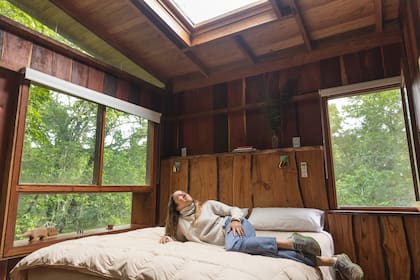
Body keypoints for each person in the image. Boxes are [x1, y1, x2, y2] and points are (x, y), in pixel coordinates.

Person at [160, 190, 364, 280]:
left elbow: (235, 209)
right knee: (268, 252)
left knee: (235, 246)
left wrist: (237, 219)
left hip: (235, 227)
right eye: (180, 196)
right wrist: (167, 238)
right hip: (241, 241)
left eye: (185, 193)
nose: (186, 195)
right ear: (175, 207)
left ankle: (292, 241)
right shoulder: (181, 225)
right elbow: (174, 236)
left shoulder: (208, 205)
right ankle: (335, 261)